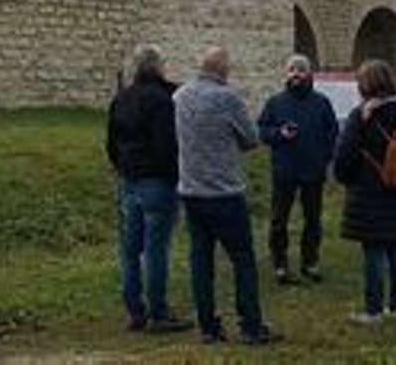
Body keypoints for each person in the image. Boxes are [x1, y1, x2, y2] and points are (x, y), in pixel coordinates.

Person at [174, 46, 282, 346]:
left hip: (191, 190)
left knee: (200, 259)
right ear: (223, 71)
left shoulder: (179, 96)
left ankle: (208, 327)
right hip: (224, 192)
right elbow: (250, 139)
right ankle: (250, 325)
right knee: (242, 258)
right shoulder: (227, 97)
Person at [105, 45, 195, 334]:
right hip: (156, 181)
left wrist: (123, 169)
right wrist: (173, 179)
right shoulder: (160, 100)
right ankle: (158, 312)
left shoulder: (121, 98)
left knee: (130, 251)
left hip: (129, 180)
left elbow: (111, 144)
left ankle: (135, 311)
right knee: (156, 249)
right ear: (157, 67)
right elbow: (167, 146)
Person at [335, 59, 396, 324]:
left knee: (373, 250)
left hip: (369, 189)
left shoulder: (362, 116)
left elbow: (344, 158)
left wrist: (346, 179)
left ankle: (373, 311)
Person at [257, 55, 339, 285]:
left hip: (313, 171)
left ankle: (310, 262)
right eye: (292, 69)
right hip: (284, 170)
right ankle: (280, 264)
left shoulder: (321, 102)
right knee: (278, 220)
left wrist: (324, 156)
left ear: (309, 74)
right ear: (286, 74)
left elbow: (332, 132)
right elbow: (262, 131)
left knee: (313, 220)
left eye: (301, 70)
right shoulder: (275, 102)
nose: (296, 74)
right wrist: (279, 134)